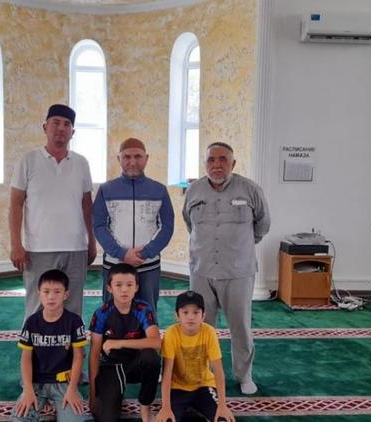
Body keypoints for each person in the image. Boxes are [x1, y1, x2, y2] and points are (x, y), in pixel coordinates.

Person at [182, 142, 270, 395]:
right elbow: (189, 223)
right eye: (211, 160)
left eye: (223, 159)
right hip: (202, 269)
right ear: (205, 163)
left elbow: (263, 224)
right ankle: (202, 374)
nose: (217, 165)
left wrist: (241, 247)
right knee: (200, 326)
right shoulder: (194, 190)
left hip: (238, 271)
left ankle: (244, 375)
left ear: (233, 163)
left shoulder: (250, 189)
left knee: (240, 326)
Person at [9, 104, 97, 321]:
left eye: (67, 124)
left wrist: (92, 243)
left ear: (73, 132)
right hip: (38, 249)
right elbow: (15, 205)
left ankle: (72, 344)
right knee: (37, 307)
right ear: (45, 127)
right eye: (55, 123)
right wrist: (16, 245)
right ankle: (34, 344)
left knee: (73, 307)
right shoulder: (28, 160)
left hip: (75, 248)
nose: (61, 128)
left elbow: (87, 206)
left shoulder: (81, 163)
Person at [93, 137, 174, 312]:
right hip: (115, 265)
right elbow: (99, 226)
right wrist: (122, 254)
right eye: (127, 157)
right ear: (119, 159)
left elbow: (167, 227)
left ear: (146, 158)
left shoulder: (159, 190)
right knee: (111, 313)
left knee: (147, 313)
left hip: (148, 265)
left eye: (138, 156)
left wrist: (145, 253)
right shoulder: (106, 189)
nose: (132, 162)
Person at [88, 263, 161, 422]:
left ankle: (145, 405)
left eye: (129, 285)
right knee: (106, 418)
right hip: (111, 367)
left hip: (136, 365)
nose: (124, 290)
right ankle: (111, 395)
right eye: (118, 285)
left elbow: (156, 342)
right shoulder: (101, 313)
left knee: (152, 357)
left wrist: (119, 343)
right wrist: (93, 395)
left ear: (136, 287)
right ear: (109, 288)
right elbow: (93, 355)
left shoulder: (143, 309)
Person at [12, 269, 87, 422]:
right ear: (39, 294)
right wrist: (28, 390)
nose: (51, 296)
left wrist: (72, 389)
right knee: (19, 419)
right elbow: (25, 358)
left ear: (66, 295)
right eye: (46, 292)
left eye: (57, 292)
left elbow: (78, 356)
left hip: (63, 382)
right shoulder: (32, 322)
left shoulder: (74, 321)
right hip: (36, 381)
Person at [156, 291, 235, 422]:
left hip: (203, 386)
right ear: (177, 315)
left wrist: (222, 405)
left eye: (196, 312)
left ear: (203, 315)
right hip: (177, 388)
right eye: (185, 312)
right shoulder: (171, 334)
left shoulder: (209, 332)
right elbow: (167, 372)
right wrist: (165, 407)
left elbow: (218, 370)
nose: (190, 317)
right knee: (166, 419)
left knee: (223, 419)